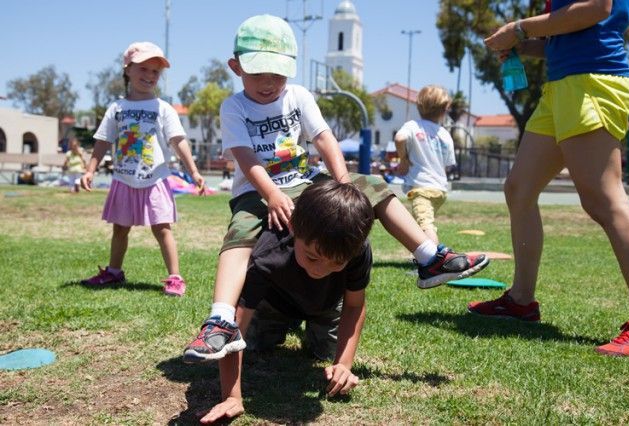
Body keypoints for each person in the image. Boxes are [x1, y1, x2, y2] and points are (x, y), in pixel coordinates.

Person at [183, 14, 489, 363]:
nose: (268, 83)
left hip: (306, 182)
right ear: (236, 67)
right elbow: (244, 155)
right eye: (257, 74)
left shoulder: (297, 95)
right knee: (240, 234)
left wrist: (344, 183)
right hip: (257, 191)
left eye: (277, 74)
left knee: (373, 184)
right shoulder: (234, 106)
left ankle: (429, 257)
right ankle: (220, 320)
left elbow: (324, 138)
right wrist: (271, 194)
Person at [468, 0, 629, 356]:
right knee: (519, 188)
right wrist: (524, 46)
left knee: (603, 199)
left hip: (592, 83)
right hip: (562, 86)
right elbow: (572, 33)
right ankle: (521, 301)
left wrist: (519, 28)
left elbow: (596, 8)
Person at [198, 179, 375, 423]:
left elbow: (354, 304)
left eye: (337, 263)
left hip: (325, 306)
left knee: (324, 352)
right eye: (312, 257)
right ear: (293, 228)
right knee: (256, 344)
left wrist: (343, 364)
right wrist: (232, 396)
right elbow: (236, 324)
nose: (321, 270)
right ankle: (285, 322)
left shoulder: (355, 249)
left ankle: (311, 325)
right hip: (275, 304)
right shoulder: (269, 253)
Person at [80, 41, 205, 297]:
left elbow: (178, 141)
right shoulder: (117, 108)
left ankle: (175, 278)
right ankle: (114, 272)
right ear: (128, 69)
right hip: (124, 179)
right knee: (119, 228)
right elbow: (103, 141)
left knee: (162, 228)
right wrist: (90, 170)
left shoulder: (163, 108)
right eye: (143, 69)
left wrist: (193, 171)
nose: (149, 76)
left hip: (155, 179)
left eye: (155, 72)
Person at [394, 85, 456, 245]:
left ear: (419, 106)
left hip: (422, 189)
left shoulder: (413, 126)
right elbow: (448, 165)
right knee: (423, 222)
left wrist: (404, 160)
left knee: (425, 227)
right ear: (445, 109)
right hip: (440, 189)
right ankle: (425, 258)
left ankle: (432, 262)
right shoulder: (445, 135)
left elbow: (399, 139)